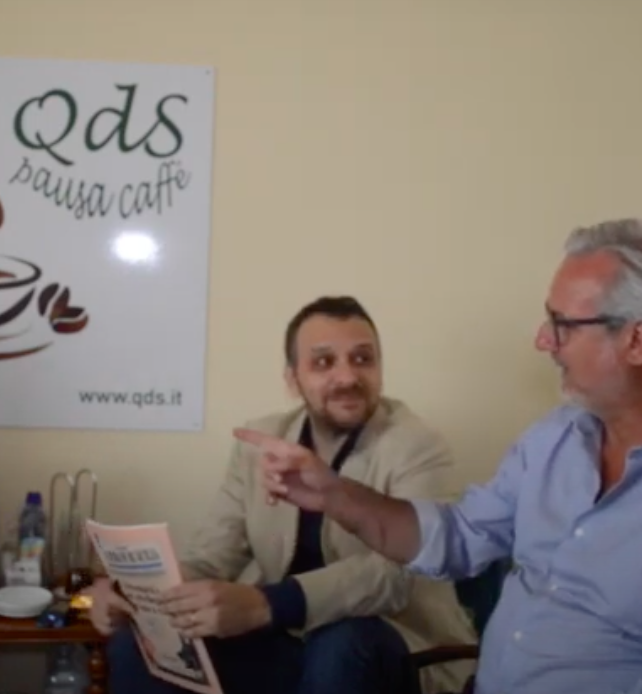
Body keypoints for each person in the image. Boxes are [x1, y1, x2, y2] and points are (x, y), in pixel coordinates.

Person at [242, 219, 642, 694]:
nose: (543, 341)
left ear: (638, 341)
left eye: (562, 325)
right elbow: (459, 538)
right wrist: (335, 495)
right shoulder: (559, 436)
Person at [87, 296, 479, 694]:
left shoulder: (417, 445)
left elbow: (398, 573)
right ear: (292, 379)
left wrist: (267, 604)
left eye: (363, 359)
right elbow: (211, 556)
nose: (347, 377)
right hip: (287, 643)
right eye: (324, 362)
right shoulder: (263, 441)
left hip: (399, 648)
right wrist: (138, 596)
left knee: (343, 642)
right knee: (137, 643)